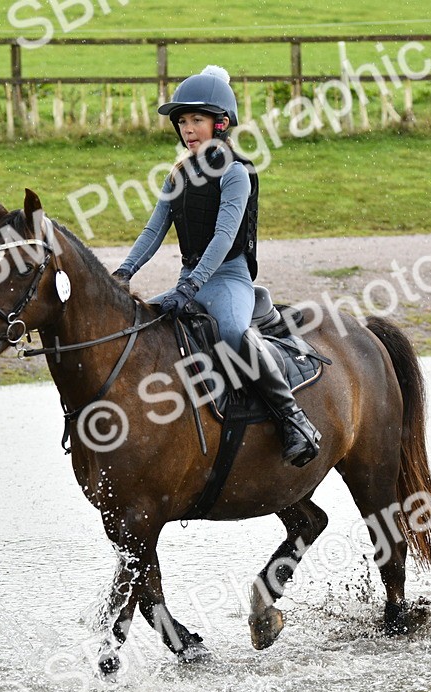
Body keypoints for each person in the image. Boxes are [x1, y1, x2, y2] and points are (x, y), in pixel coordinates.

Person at [112, 65, 321, 468]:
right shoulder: (177, 175)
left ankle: (295, 421)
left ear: (221, 123)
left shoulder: (236, 173)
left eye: (197, 120)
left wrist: (189, 288)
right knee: (139, 327)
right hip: (189, 280)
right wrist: (123, 274)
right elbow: (153, 232)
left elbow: (224, 240)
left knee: (230, 331)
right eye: (183, 122)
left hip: (228, 279)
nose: (188, 129)